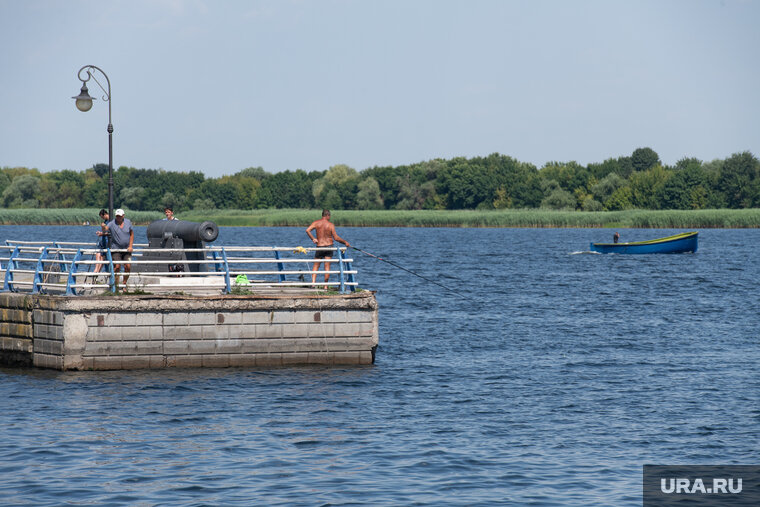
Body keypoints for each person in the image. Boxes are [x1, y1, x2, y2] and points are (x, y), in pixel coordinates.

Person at [305, 209, 350, 289]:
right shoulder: (330, 225)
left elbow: (307, 230)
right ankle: (325, 286)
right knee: (327, 266)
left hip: (320, 246)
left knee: (316, 265)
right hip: (329, 246)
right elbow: (336, 238)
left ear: (322, 215)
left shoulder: (316, 223)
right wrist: (345, 242)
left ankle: (313, 284)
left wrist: (313, 239)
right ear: (328, 215)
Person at [104, 208, 134, 290]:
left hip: (126, 249)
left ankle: (124, 283)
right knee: (117, 266)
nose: (118, 218)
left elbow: (131, 234)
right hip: (116, 249)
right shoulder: (112, 223)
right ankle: (115, 285)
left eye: (120, 216)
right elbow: (106, 229)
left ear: (123, 216)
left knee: (128, 266)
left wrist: (130, 246)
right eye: (117, 216)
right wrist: (103, 228)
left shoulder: (128, 222)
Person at [93, 209, 109, 276]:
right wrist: (101, 232)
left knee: (102, 256)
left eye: (102, 217)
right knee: (99, 254)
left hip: (107, 241)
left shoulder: (110, 221)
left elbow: (109, 232)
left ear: (105, 214)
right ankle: (96, 270)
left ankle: (97, 271)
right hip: (103, 240)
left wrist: (102, 231)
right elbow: (105, 231)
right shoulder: (105, 222)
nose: (102, 218)